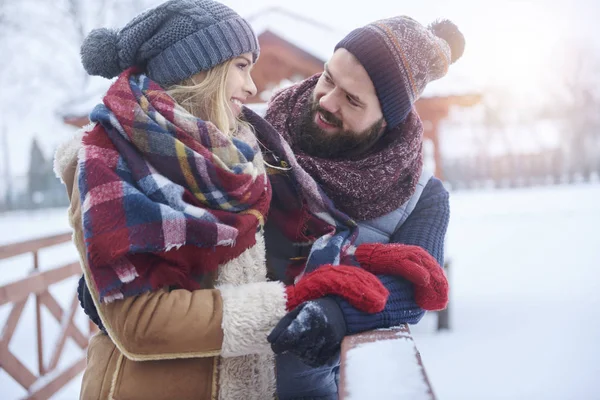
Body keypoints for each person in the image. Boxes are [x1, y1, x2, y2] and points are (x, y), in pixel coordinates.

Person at [54, 1, 387, 399]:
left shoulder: (238, 156)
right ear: (199, 70)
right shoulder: (106, 158)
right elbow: (139, 323)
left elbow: (280, 249)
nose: (252, 87)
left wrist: (377, 262)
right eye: (242, 66)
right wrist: (287, 302)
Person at [257, 16, 465, 399]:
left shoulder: (422, 197)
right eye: (328, 78)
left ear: (388, 120)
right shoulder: (254, 138)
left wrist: (336, 314)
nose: (327, 101)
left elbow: (413, 285)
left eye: (352, 100)